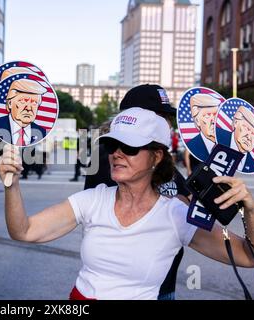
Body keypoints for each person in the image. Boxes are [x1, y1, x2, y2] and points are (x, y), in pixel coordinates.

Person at [0, 107, 254, 300]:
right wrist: (12, 185)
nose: (117, 153)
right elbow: (24, 230)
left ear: (156, 156)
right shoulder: (93, 199)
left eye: (129, 147)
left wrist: (252, 210)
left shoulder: (176, 215)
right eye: (113, 144)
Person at [84, 84, 190, 299]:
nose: (166, 123)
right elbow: (98, 216)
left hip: (165, 283)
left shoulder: (160, 155)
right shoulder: (109, 154)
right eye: (159, 116)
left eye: (166, 116)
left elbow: (186, 202)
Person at [0, 77, 47, 146]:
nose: (28, 108)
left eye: (34, 102)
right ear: (10, 103)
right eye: (23, 101)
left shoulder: (42, 132)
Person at [216, 105, 254, 173]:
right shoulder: (216, 138)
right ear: (235, 123)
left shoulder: (253, 166)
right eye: (247, 128)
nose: (249, 137)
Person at [187, 93, 222, 161]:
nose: (213, 121)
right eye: (207, 115)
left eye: (216, 115)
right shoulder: (192, 146)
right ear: (197, 121)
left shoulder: (226, 142)